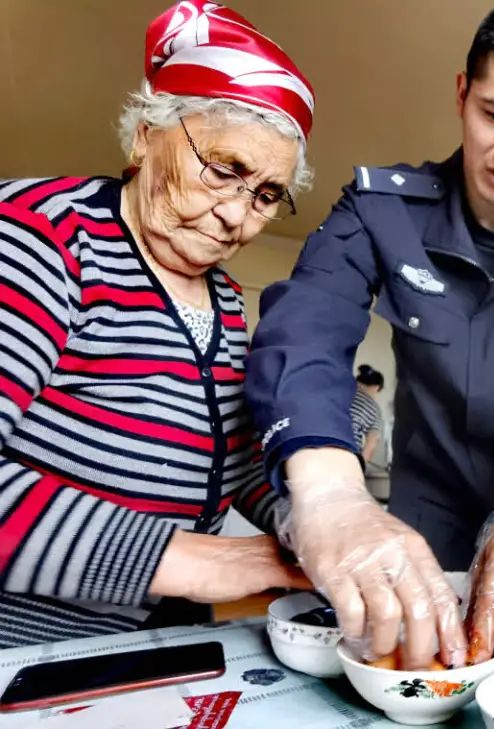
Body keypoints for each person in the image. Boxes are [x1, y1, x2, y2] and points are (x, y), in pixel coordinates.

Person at [246, 1, 494, 669]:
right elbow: (306, 326)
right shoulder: (379, 208)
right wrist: (328, 489)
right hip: (420, 513)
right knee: (406, 670)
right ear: (463, 94)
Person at [0, 0, 315, 646]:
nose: (238, 217)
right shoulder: (41, 238)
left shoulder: (225, 299)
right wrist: (208, 560)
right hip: (30, 654)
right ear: (147, 133)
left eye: (264, 195)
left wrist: (322, 516)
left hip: (157, 648)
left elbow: (234, 460)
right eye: (224, 170)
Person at [350, 364, 385, 466]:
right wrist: (360, 467)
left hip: (314, 448)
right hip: (348, 454)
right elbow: (372, 442)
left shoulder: (339, 392)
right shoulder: (374, 408)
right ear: (376, 387)